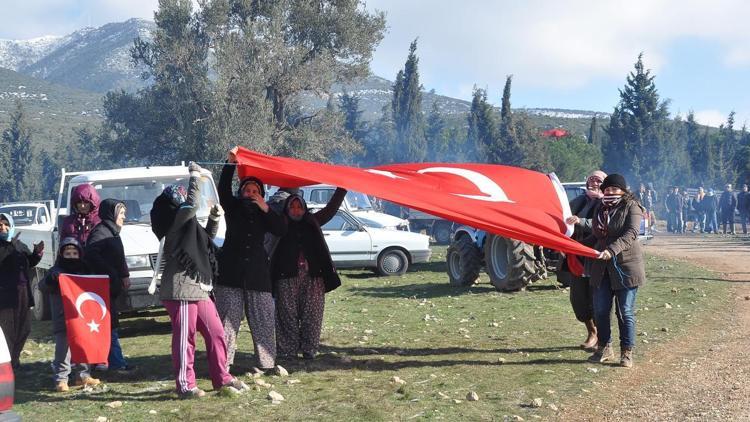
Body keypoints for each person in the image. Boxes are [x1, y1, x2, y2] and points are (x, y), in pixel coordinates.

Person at [150, 162, 248, 398]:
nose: (184, 202)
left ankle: (222, 378)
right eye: (180, 199)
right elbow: (192, 204)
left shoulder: (188, 227)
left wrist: (214, 219)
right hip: (180, 290)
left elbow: (206, 241)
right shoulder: (173, 226)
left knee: (216, 333)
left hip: (199, 288)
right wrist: (195, 176)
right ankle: (185, 385)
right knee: (186, 339)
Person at [214, 147, 287, 373]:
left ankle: (266, 363)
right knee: (227, 322)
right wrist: (231, 163)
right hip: (231, 274)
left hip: (258, 275)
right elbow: (223, 189)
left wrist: (265, 207)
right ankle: (223, 365)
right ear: (241, 191)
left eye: (256, 190)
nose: (251, 193)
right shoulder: (233, 207)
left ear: (262, 194)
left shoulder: (266, 213)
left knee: (263, 319)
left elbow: (281, 229)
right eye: (247, 190)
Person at [271, 187, 347, 360]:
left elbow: (330, 209)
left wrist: (342, 188)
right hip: (286, 277)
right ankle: (287, 351)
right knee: (286, 315)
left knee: (312, 315)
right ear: (287, 209)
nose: (296, 210)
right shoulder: (281, 224)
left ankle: (309, 349)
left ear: (305, 209)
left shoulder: (312, 221)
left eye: (299, 207)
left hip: (313, 276)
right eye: (292, 207)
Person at [582, 174, 646, 368]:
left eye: (614, 189)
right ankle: (604, 347)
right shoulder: (600, 208)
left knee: (624, 312)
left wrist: (611, 250)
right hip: (601, 268)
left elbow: (631, 234)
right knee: (601, 310)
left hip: (627, 267)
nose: (610, 192)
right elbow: (596, 236)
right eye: (607, 189)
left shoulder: (632, 207)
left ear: (623, 191)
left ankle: (627, 352)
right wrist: (573, 246)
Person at [39, 237, 100, 392]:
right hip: (63, 317)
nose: (71, 256)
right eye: (68, 253)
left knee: (83, 346)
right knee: (63, 349)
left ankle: (83, 375)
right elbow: (43, 287)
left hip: (81, 317)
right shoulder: (55, 271)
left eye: (74, 253)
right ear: (61, 255)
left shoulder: (86, 269)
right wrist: (52, 279)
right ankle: (61, 379)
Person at [84, 199, 133, 373]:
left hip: (110, 286)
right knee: (108, 325)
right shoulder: (101, 233)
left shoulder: (112, 232)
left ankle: (111, 361)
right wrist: (110, 273)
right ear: (111, 214)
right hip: (102, 287)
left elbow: (119, 257)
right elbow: (91, 255)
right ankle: (116, 363)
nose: (124, 217)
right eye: (121, 213)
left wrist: (124, 275)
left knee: (110, 324)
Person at [563, 170, 606, 351]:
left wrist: (580, 221)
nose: (594, 184)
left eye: (598, 181)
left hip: (597, 257)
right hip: (576, 257)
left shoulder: (607, 204)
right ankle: (591, 331)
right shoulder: (577, 202)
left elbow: (602, 225)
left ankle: (603, 339)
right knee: (578, 299)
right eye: (591, 180)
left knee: (597, 298)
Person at [0, 213, 43, 370]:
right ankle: (8, 364)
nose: (3, 228)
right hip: (5, 295)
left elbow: (29, 262)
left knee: (24, 328)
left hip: (23, 292)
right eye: (0, 226)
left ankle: (15, 359)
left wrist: (37, 253)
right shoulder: (7, 246)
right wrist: (10, 247)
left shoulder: (19, 244)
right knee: (7, 331)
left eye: (6, 224)